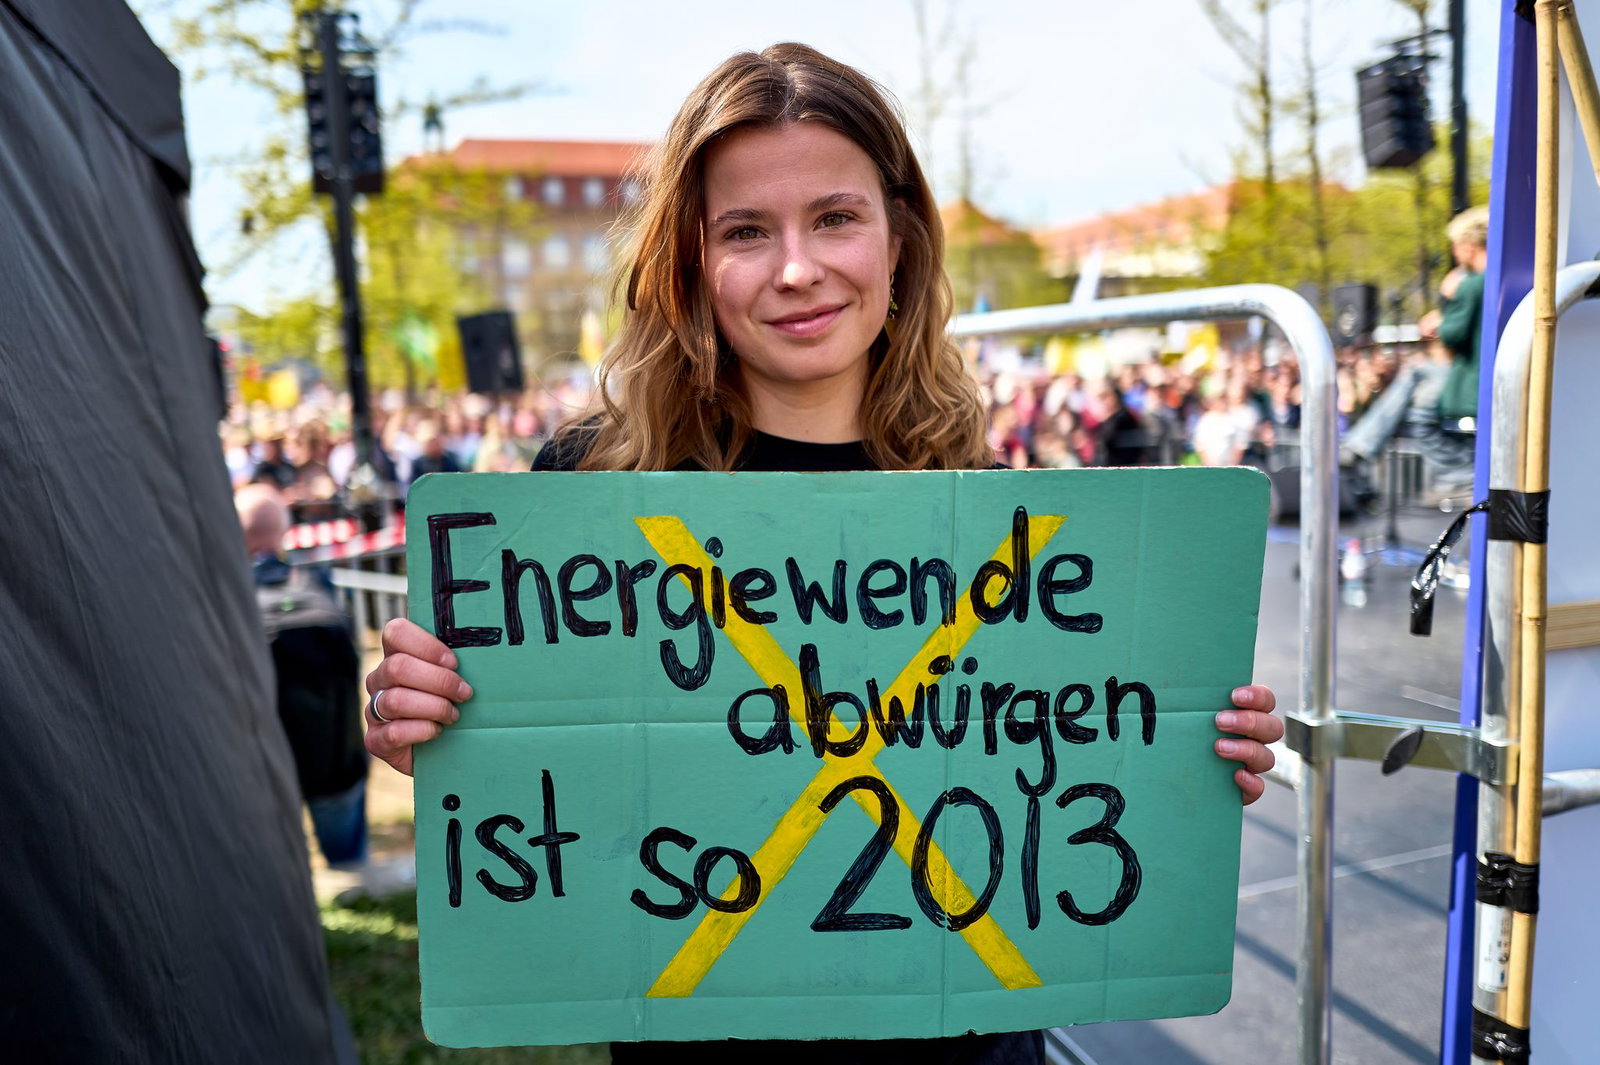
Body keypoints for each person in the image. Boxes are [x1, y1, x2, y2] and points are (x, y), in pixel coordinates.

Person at [362, 43, 1282, 1065]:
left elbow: (1066, 758)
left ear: (898, 236)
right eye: (746, 231)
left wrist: (1188, 747)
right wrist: (439, 731)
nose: (797, 268)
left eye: (834, 217)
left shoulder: (980, 494)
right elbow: (538, 783)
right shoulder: (590, 493)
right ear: (690, 264)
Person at [237, 483, 370, 870]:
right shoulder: (320, 585)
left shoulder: (229, 602)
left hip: (265, 766)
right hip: (336, 759)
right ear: (282, 532)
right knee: (349, 868)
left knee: (276, 871)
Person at [1341, 205, 1490, 495]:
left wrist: (1445, 306)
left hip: (1471, 381)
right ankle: (1359, 446)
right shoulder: (1495, 281)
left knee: (1418, 388)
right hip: (1480, 375)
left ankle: (1455, 473)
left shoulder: (1471, 285)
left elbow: (1453, 335)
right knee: (1418, 381)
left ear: (1468, 246)